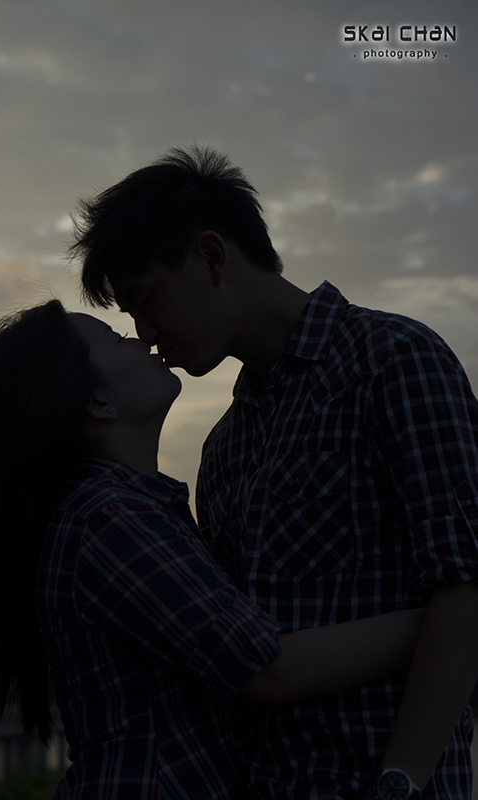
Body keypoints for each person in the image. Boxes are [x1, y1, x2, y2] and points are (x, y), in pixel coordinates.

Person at [71, 145, 478, 800]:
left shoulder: (396, 362)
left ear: (211, 257)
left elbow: (464, 584)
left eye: (147, 301)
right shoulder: (222, 449)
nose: (145, 334)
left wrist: (401, 782)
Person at [0, 300, 425, 800]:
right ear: (99, 402)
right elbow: (268, 669)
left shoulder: (129, 508)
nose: (140, 339)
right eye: (115, 339)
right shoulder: (106, 519)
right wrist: (442, 621)